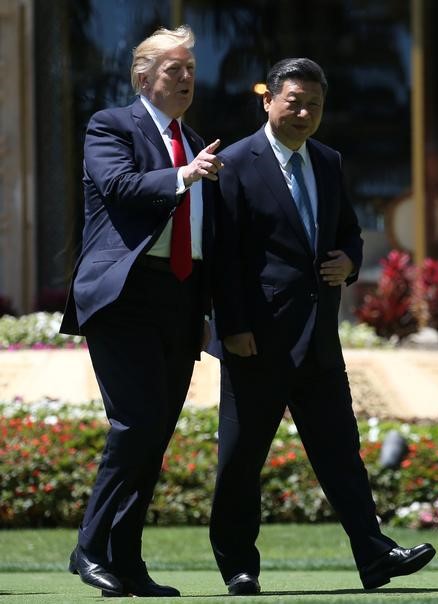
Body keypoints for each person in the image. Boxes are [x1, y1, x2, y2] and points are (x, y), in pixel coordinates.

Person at [209, 57, 435, 596]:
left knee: (340, 453)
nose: (305, 112)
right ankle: (239, 566)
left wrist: (350, 263)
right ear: (268, 101)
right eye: (294, 102)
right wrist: (233, 327)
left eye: (314, 104)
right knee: (241, 461)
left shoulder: (329, 161)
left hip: (319, 339)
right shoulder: (235, 163)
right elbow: (222, 256)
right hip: (255, 340)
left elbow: (350, 233)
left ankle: (375, 557)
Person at [59, 25, 222, 598]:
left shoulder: (195, 140)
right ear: (143, 76)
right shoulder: (111, 126)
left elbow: (203, 233)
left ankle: (125, 563)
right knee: (136, 425)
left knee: (154, 434)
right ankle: (89, 548)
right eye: (174, 69)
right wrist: (185, 174)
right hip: (123, 296)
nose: (185, 79)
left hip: (179, 299)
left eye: (190, 71)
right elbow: (122, 186)